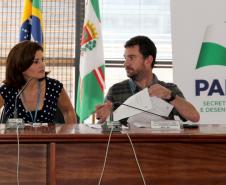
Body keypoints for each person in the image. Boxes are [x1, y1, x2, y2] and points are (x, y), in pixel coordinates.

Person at [96, 35, 200, 123]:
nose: (126, 63)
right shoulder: (115, 90)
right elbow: (103, 127)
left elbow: (194, 117)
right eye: (125, 58)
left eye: (131, 58)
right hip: (127, 147)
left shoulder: (169, 88)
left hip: (163, 146)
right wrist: (106, 116)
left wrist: (170, 96)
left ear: (148, 60)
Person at [0, 40, 77, 124]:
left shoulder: (54, 87)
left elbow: (68, 112)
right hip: (17, 137)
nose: (42, 65)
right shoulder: (7, 90)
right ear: (20, 65)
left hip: (48, 137)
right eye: (36, 62)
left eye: (42, 60)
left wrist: (67, 135)